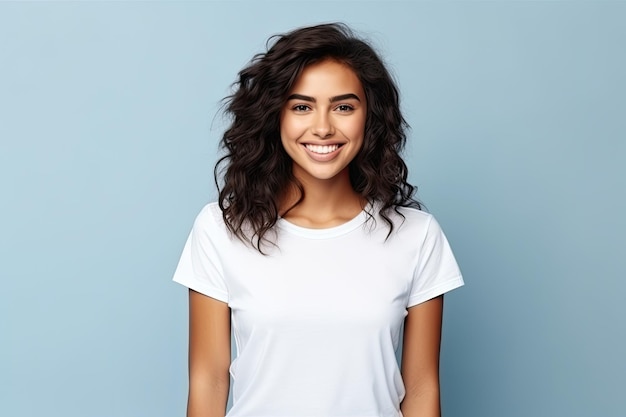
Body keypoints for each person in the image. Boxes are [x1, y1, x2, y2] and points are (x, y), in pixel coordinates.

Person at [173, 23, 464, 417]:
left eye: (343, 107)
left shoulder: (416, 235)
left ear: (369, 117)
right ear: (275, 117)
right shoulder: (221, 229)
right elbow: (208, 379)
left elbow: (422, 387)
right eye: (301, 106)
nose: (323, 127)